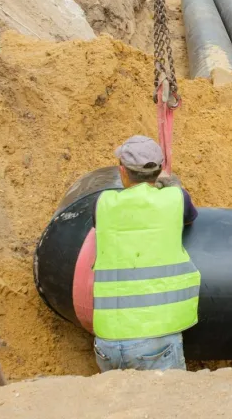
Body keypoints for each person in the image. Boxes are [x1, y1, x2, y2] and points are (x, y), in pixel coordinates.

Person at [92, 135, 200, 372]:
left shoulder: (103, 203)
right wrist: (171, 186)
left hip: (106, 343)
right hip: (154, 341)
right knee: (163, 407)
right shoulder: (176, 199)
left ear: (122, 171)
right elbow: (189, 217)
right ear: (160, 169)